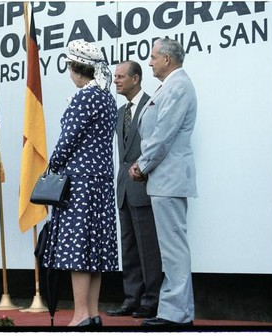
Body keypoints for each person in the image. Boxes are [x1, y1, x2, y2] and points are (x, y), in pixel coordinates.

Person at [42, 39, 118, 327]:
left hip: (80, 184)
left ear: (76, 69)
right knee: (95, 249)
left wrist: (53, 166)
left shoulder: (85, 97)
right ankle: (93, 313)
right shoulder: (107, 97)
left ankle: (80, 315)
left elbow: (67, 141)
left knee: (78, 250)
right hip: (101, 183)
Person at [129, 37, 197, 327]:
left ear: (167, 59)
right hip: (164, 180)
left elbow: (163, 133)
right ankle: (174, 311)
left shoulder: (178, 86)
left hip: (168, 179)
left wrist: (142, 165)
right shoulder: (170, 86)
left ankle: (177, 314)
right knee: (170, 248)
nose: (149, 62)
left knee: (173, 249)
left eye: (153, 56)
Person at [106, 61, 162, 319]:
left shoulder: (154, 104)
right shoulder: (119, 112)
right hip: (124, 190)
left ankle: (151, 301)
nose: (115, 80)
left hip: (145, 187)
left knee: (148, 249)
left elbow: (158, 146)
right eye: (115, 76)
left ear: (136, 78)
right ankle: (131, 299)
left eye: (120, 76)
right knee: (128, 248)